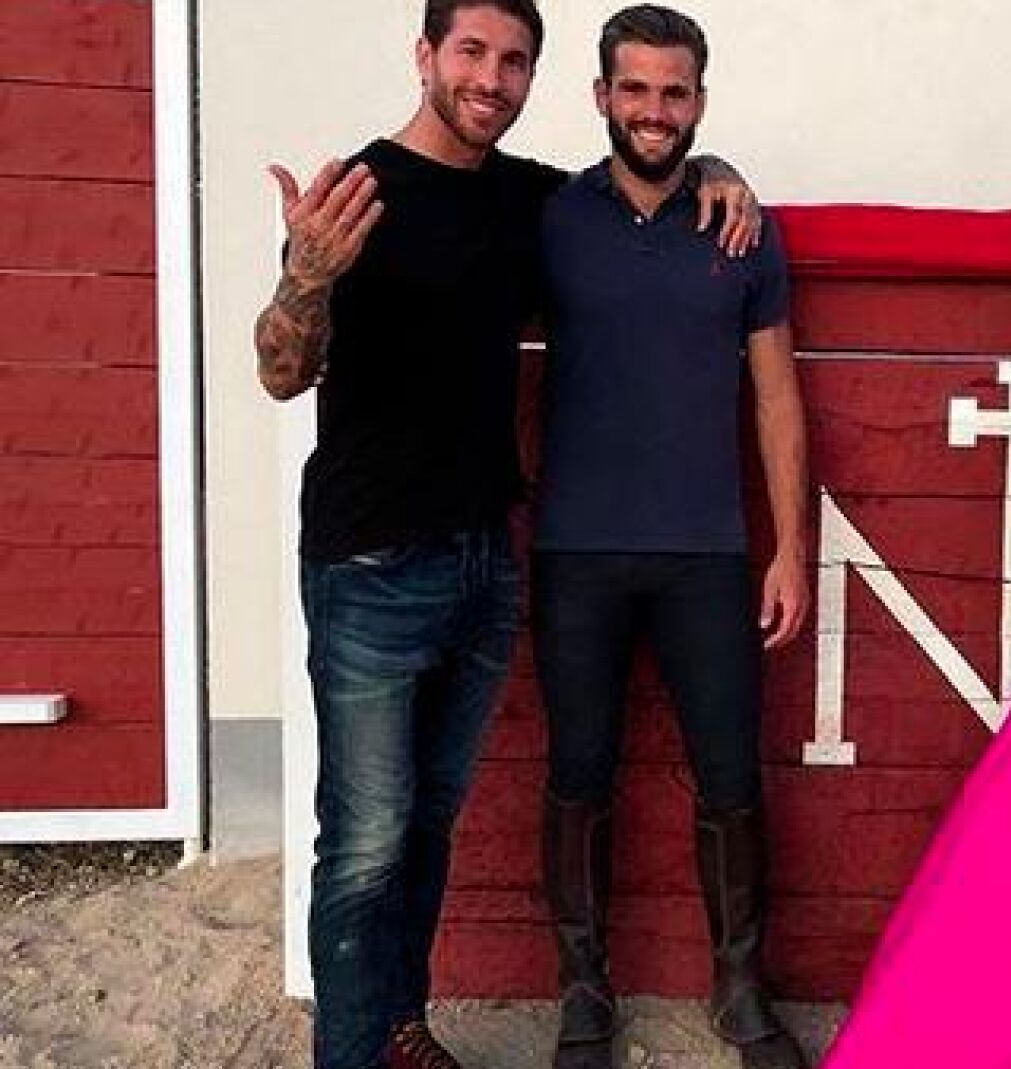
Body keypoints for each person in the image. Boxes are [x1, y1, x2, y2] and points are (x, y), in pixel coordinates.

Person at [251, 2, 759, 1066]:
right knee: (364, 844)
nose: (490, 78)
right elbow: (282, 372)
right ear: (425, 55)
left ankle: (401, 1029)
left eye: (513, 60)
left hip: (483, 559)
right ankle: (352, 1051)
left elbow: (642, 173)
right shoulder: (357, 194)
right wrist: (304, 277)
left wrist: (717, 166)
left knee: (427, 825)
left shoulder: (529, 199)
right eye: (471, 52)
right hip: (370, 560)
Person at [527, 7, 810, 1069]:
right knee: (578, 773)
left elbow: (776, 397)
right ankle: (583, 992)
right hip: (575, 552)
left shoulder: (742, 227)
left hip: (708, 553)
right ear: (601, 95)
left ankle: (739, 989)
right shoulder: (549, 217)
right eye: (635, 89)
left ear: (699, 100)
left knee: (731, 777)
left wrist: (791, 549)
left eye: (675, 92)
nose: (655, 111)